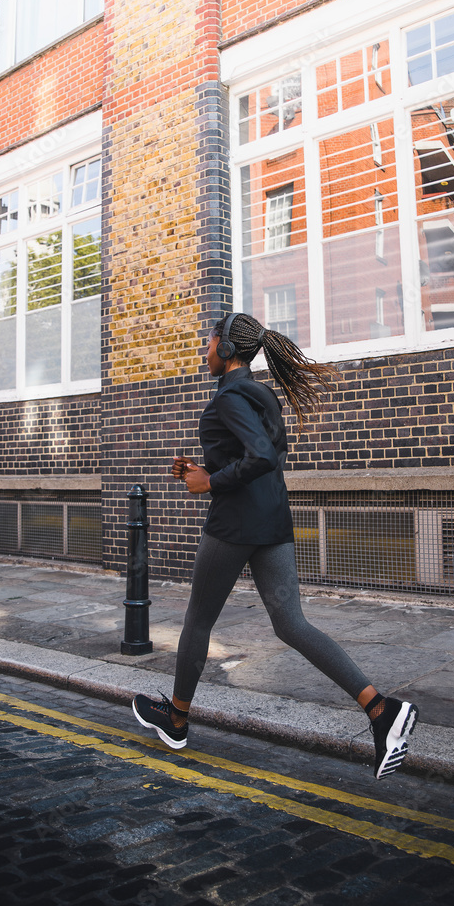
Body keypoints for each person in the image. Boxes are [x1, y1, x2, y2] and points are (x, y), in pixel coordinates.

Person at [132, 312, 418, 780]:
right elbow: (261, 454)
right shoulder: (261, 394)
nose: (203, 350)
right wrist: (203, 471)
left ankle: (177, 719)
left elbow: (260, 457)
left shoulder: (228, 396)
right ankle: (381, 711)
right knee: (291, 624)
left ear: (226, 349)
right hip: (273, 520)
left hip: (234, 524)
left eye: (208, 342)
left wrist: (211, 484)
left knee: (198, 621)